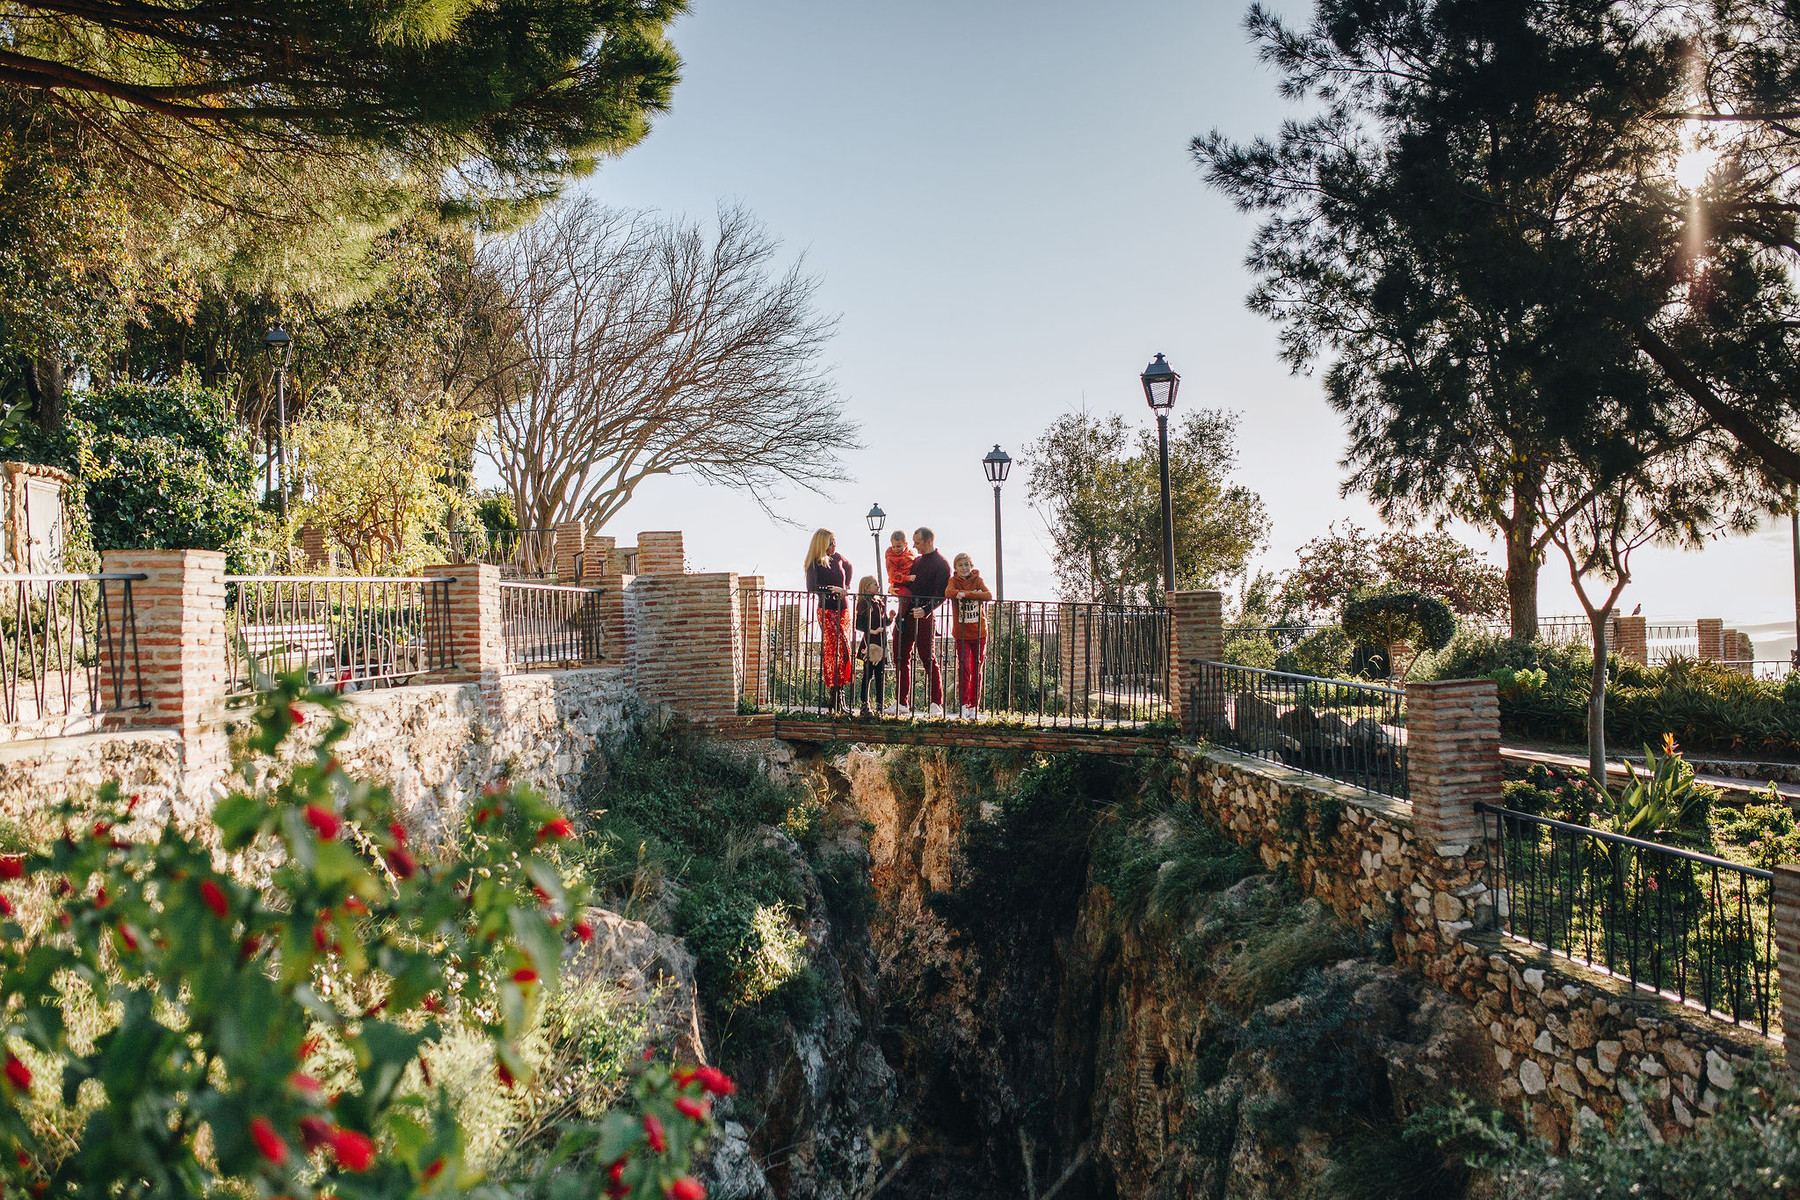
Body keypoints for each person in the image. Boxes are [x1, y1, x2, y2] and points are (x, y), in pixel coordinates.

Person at [895, 526, 949, 717]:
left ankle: (936, 703)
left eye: (917, 543)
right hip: (905, 613)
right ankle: (901, 703)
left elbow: (942, 595)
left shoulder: (942, 564)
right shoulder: (916, 561)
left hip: (924, 616)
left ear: (929, 541)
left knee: (928, 658)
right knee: (900, 658)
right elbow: (908, 584)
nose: (914, 546)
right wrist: (896, 588)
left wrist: (926, 610)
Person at [804, 528, 853, 712]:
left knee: (845, 651)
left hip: (844, 610)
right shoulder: (815, 562)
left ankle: (839, 695)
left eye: (835, 542)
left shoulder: (839, 558)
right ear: (822, 544)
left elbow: (849, 567)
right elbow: (812, 587)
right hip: (827, 610)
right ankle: (835, 695)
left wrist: (846, 586)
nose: (834, 545)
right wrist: (833, 589)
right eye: (830, 543)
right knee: (834, 652)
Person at [944, 551, 993, 719]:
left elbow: (988, 595)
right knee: (964, 668)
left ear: (971, 567)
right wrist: (960, 592)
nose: (964, 568)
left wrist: (966, 594)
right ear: (955, 568)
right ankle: (964, 705)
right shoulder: (953, 581)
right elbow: (948, 592)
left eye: (966, 565)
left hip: (980, 632)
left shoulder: (978, 580)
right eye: (960, 565)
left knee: (976, 670)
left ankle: (974, 705)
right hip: (961, 634)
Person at [853, 575, 890, 718]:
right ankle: (864, 703)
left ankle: (880, 704)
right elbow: (859, 625)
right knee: (867, 674)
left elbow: (884, 621)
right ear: (866, 587)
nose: (878, 586)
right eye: (875, 584)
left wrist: (891, 618)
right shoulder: (863, 604)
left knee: (880, 674)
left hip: (880, 642)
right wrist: (872, 630)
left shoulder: (879, 603)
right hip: (869, 642)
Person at [885, 530, 914, 600]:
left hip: (910, 582)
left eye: (898, 546)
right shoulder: (891, 558)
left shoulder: (910, 554)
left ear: (905, 544)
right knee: (906, 595)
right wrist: (907, 578)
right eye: (893, 547)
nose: (896, 549)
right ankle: (901, 611)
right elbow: (892, 574)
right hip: (898, 583)